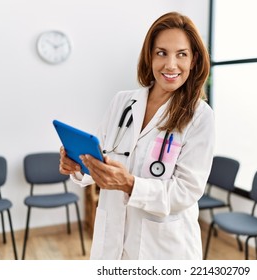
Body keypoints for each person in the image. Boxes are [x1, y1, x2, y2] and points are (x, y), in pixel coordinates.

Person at [59, 11, 215, 260]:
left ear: (194, 60)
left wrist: (129, 184)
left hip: (163, 250)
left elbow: (186, 191)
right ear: (150, 56)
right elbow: (101, 159)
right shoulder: (123, 102)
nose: (170, 65)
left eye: (181, 54)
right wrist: (77, 165)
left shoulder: (199, 116)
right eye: (161, 53)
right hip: (111, 243)